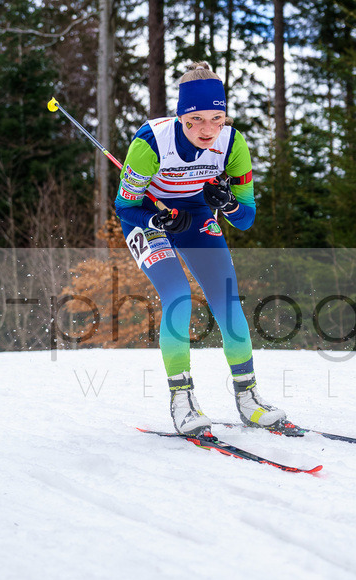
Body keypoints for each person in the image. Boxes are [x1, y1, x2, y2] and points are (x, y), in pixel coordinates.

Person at [114, 61, 286, 436]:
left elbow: (245, 218)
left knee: (227, 299)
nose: (208, 130)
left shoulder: (232, 143)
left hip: (194, 213)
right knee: (178, 296)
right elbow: (125, 205)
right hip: (147, 215)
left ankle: (249, 399)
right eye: (196, 121)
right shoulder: (150, 143)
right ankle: (182, 401)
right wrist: (157, 219)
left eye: (217, 118)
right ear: (181, 118)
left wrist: (227, 203)